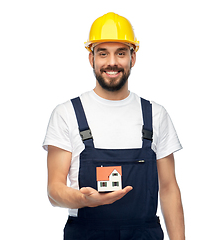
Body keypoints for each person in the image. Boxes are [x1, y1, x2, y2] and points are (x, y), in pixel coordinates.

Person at [43, 12, 185, 240]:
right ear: (91, 59)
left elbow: (169, 189)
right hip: (86, 234)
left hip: (144, 234)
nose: (112, 62)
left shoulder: (155, 115)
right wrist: (83, 200)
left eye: (121, 53)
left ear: (133, 58)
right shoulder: (66, 114)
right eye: (103, 53)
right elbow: (54, 192)